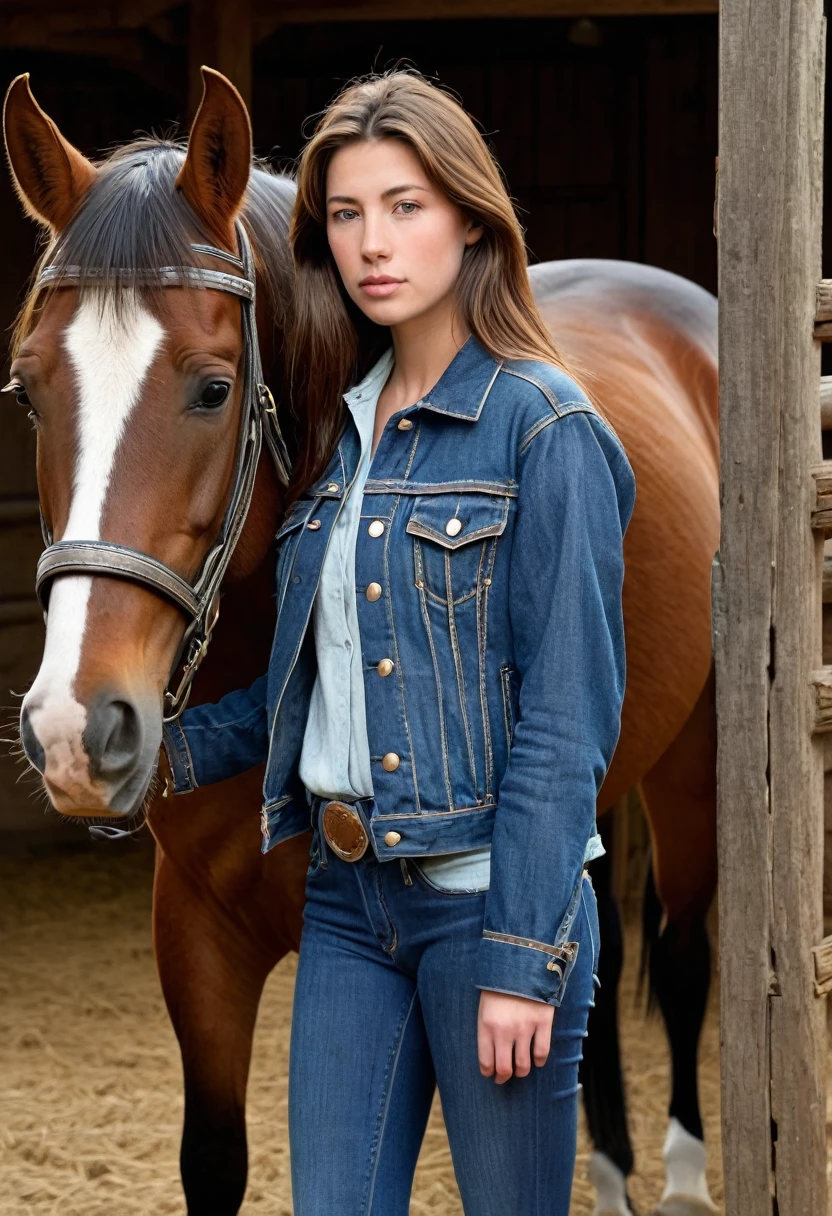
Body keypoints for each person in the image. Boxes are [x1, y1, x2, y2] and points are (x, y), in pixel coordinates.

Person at [161, 67, 636, 1216]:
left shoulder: (545, 426)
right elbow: (303, 687)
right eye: (346, 212)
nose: (374, 242)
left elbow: (567, 717)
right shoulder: (332, 434)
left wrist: (524, 955)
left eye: (406, 205)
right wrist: (147, 753)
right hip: (345, 903)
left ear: (471, 217)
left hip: (490, 907)